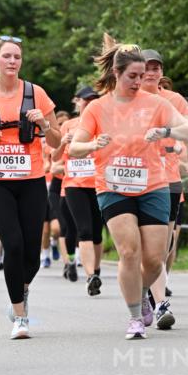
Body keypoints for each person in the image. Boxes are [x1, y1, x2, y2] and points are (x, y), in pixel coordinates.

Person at [70, 35, 188, 339]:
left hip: (153, 185)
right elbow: (74, 148)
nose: (139, 81)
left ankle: (141, 292)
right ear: (117, 74)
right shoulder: (98, 108)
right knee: (129, 251)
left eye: (142, 76)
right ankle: (134, 318)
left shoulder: (156, 103)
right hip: (112, 186)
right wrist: (92, 144)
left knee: (154, 258)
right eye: (133, 76)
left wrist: (164, 130)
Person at [0, 35, 61, 339]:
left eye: (16, 57)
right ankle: (20, 317)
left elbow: (58, 143)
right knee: (14, 244)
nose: (12, 62)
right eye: (6, 56)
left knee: (32, 252)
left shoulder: (37, 94)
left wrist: (44, 125)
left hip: (31, 179)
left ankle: (21, 290)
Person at [140, 50, 188, 329]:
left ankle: (146, 292)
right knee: (147, 249)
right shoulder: (127, 97)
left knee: (162, 248)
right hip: (138, 180)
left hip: (167, 179)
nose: (151, 73)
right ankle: (160, 304)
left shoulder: (173, 100)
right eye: (146, 68)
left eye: (156, 68)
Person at [59, 85, 104, 293]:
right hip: (74, 185)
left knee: (96, 231)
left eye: (95, 100)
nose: (90, 103)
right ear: (78, 102)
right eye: (87, 100)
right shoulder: (68, 125)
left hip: (98, 184)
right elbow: (54, 159)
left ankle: (96, 270)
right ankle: (90, 275)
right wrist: (62, 143)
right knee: (83, 229)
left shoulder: (104, 123)